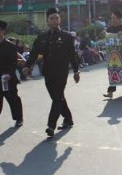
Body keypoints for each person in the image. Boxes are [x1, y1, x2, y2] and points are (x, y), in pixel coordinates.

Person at [23, 8, 80, 137]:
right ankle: (68, 118)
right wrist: (27, 66)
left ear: (59, 20)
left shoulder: (66, 36)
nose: (55, 20)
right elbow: (34, 53)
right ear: (47, 21)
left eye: (57, 18)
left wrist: (76, 71)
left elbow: (73, 55)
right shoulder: (42, 37)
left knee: (57, 97)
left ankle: (51, 125)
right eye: (52, 18)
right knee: (57, 98)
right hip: (48, 72)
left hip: (61, 72)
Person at [103, 10, 122, 99]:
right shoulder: (109, 29)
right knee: (113, 72)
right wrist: (104, 34)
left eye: (114, 18)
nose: (113, 19)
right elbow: (106, 39)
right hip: (113, 55)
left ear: (119, 19)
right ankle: (110, 92)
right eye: (112, 17)